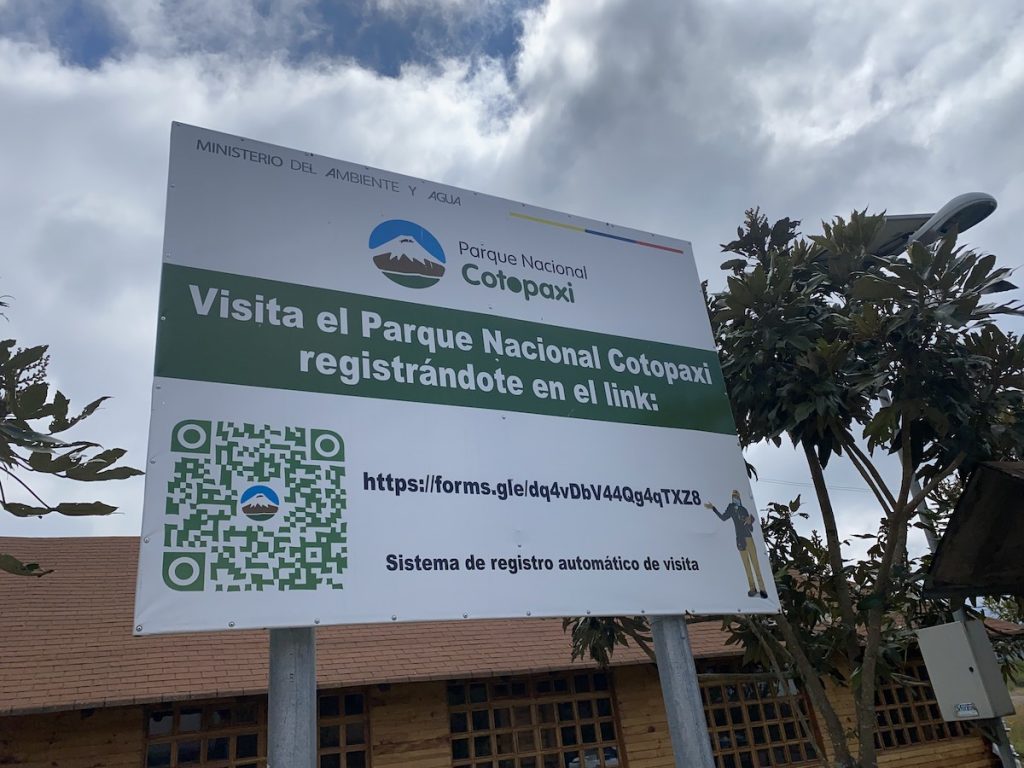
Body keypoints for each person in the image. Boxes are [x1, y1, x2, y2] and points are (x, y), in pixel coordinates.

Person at [705, 490, 767, 598]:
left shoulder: (744, 509)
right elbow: (723, 518)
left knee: (755, 565)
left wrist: (749, 522)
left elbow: (751, 528)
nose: (735, 499)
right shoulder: (731, 508)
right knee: (747, 566)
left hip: (749, 538)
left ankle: (762, 589)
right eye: (733, 497)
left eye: (736, 497)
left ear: (739, 498)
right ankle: (752, 588)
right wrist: (713, 508)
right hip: (740, 539)